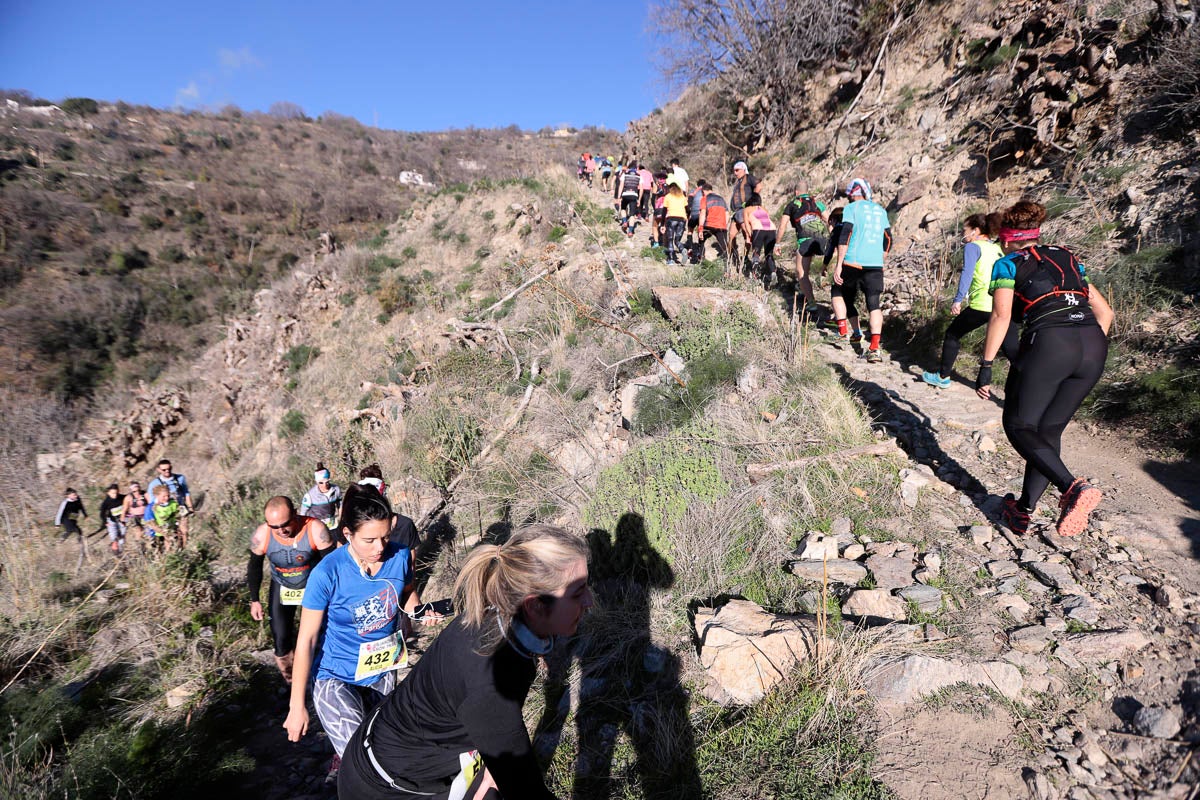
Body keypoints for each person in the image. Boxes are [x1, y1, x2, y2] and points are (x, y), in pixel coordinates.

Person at [337, 524, 593, 800]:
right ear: (534, 605)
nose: (590, 600)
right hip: (381, 788)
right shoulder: (491, 681)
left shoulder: (499, 610)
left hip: (398, 752)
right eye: (577, 593)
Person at [975, 199, 1114, 538]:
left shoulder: (1008, 264)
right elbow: (1106, 314)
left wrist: (987, 364)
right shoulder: (1069, 257)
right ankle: (1022, 511)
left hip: (1052, 343)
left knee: (1018, 424)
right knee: (1048, 430)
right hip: (1094, 345)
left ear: (1006, 239)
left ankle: (1073, 488)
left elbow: (1001, 316)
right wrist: (1085, 349)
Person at [284, 484, 438, 785]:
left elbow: (406, 594)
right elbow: (306, 641)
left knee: (389, 747)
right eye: (369, 540)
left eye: (384, 537)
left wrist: (419, 612)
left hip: (383, 667)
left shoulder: (400, 555)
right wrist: (296, 705)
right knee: (363, 757)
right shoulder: (327, 573)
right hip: (337, 674)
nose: (379, 547)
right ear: (347, 534)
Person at [922, 213, 1017, 388]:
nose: (962, 234)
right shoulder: (998, 247)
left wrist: (958, 300)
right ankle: (1027, 389)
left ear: (975, 230)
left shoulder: (974, 247)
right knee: (1012, 351)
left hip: (982, 304)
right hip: (1002, 305)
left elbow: (967, 273)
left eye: (965, 230)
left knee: (952, 334)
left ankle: (943, 377)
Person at [248, 496, 335, 684]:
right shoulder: (263, 535)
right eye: (275, 527)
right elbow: (254, 567)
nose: (281, 531)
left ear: (295, 513)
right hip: (282, 586)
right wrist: (254, 599)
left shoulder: (315, 529)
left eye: (285, 524)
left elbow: (333, 564)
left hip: (314, 587)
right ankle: (292, 684)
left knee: (321, 635)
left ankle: (323, 677)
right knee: (280, 640)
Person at [831, 178, 892, 363]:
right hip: (875, 265)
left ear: (853, 194)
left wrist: (839, 263)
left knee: (837, 291)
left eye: (849, 195)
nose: (848, 199)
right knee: (874, 304)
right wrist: (881, 257)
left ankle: (844, 333)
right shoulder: (881, 210)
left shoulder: (852, 209)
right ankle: (874, 348)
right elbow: (888, 239)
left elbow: (845, 235)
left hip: (853, 262)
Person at [778, 183, 829, 311]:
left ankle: (811, 303)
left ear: (796, 192)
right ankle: (827, 282)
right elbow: (830, 220)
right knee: (828, 268)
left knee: (801, 272)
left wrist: (777, 243)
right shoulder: (816, 203)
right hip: (822, 240)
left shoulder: (792, 204)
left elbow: (782, 225)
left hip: (805, 241)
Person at [147, 458, 193, 548]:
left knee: (184, 531)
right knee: (169, 535)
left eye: (169, 469)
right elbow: (152, 501)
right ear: (159, 470)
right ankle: (172, 552)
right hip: (166, 511)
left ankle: (184, 548)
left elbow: (186, 493)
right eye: (164, 470)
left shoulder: (180, 478)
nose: (167, 471)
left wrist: (190, 507)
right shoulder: (154, 483)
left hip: (180, 508)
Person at [743, 193, 778, 287]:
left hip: (758, 230)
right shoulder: (764, 209)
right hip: (772, 230)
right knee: (769, 254)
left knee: (756, 254)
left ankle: (755, 277)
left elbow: (747, 225)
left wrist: (750, 237)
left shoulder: (747, 209)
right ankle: (773, 272)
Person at [729, 161, 760, 260]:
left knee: (747, 234)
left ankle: (747, 258)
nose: (735, 173)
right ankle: (733, 257)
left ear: (743, 169)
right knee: (731, 236)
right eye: (734, 170)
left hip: (743, 210)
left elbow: (759, 186)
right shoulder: (738, 181)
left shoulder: (748, 177)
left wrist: (752, 201)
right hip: (736, 212)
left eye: (737, 170)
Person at [698, 183, 731, 270]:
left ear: (704, 191)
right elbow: (727, 214)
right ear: (711, 190)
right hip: (721, 226)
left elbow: (702, 214)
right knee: (724, 248)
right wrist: (724, 224)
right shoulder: (721, 199)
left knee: (701, 240)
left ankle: (702, 261)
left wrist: (700, 229)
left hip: (709, 225)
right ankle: (727, 267)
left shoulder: (704, 199)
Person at [300, 463, 342, 530]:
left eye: (327, 482)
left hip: (333, 526)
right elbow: (303, 513)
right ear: (316, 482)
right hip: (316, 528)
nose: (324, 485)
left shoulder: (336, 490)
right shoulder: (310, 495)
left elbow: (340, 506)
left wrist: (340, 520)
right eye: (321, 483)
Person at [144, 483, 182, 552]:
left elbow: (179, 516)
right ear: (156, 496)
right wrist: (165, 533)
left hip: (170, 532)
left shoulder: (173, 503)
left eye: (168, 495)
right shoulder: (150, 508)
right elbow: (151, 524)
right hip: (155, 534)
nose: (166, 498)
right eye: (164, 496)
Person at [662, 178, 689, 265]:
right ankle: (683, 250)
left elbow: (664, 211)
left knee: (670, 239)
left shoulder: (668, 196)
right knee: (677, 240)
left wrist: (663, 224)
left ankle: (670, 259)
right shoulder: (682, 197)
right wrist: (686, 218)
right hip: (682, 219)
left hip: (671, 219)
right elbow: (688, 209)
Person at [98, 483, 126, 555]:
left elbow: (130, 499)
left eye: (116, 493)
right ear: (109, 493)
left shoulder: (122, 497)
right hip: (112, 521)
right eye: (113, 493)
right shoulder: (106, 502)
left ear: (118, 491)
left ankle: (121, 552)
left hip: (121, 521)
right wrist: (105, 522)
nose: (115, 495)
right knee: (114, 537)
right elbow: (102, 513)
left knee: (122, 539)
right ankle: (115, 551)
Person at [616, 164, 641, 236]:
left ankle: (624, 221)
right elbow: (641, 188)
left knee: (623, 209)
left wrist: (619, 197)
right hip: (634, 195)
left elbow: (621, 186)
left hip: (625, 194)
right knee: (632, 214)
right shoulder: (639, 176)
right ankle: (630, 231)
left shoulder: (625, 175)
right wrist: (639, 199)